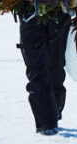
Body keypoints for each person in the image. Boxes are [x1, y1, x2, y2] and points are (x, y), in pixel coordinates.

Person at [16, 8, 71, 136]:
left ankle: (49, 122)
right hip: (43, 12)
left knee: (47, 68)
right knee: (48, 68)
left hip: (42, 11)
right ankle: (50, 119)